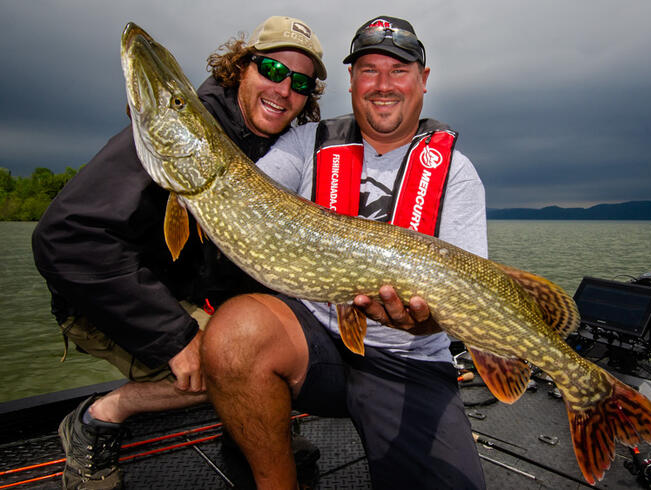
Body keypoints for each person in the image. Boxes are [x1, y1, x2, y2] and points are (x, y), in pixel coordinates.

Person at [31, 15, 326, 490]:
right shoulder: (181, 131)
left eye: (299, 83)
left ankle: (246, 429)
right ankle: (101, 416)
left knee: (288, 344)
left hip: (192, 291)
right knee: (238, 363)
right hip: (109, 296)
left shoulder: (274, 147)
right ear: (241, 68)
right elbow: (66, 238)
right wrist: (173, 336)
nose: (283, 89)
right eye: (271, 70)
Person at [202, 15, 488, 489]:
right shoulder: (305, 143)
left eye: (398, 70)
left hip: (409, 361)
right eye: (368, 70)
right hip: (314, 343)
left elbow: (463, 304)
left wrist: (426, 319)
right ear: (352, 81)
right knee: (234, 334)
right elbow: (244, 197)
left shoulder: (455, 172)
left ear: (424, 80)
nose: (382, 84)